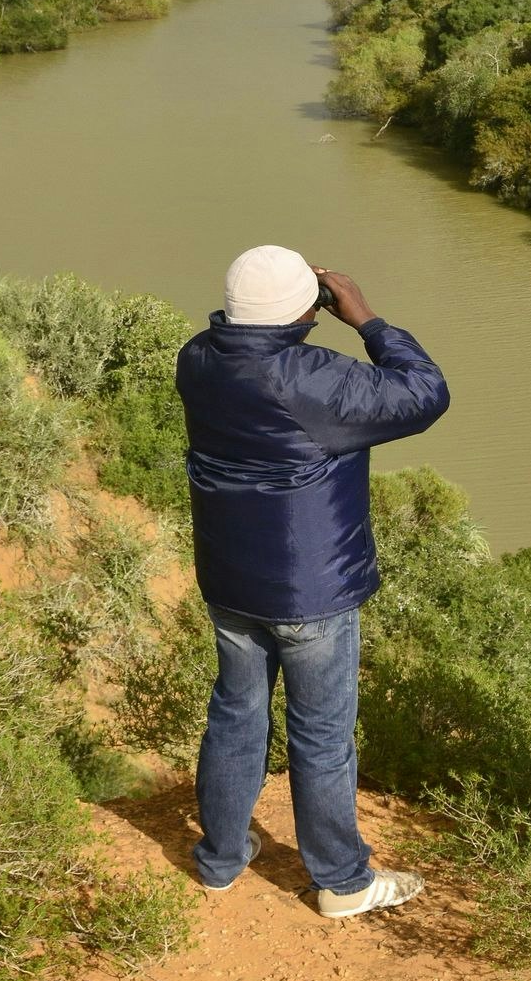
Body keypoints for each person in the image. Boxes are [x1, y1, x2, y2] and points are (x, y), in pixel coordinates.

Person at [179, 245, 451, 917]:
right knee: (322, 734)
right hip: (311, 590)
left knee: (235, 714)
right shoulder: (315, 377)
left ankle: (219, 859)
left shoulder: (197, 359)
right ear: (306, 311)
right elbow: (424, 393)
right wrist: (367, 319)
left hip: (230, 577)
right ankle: (342, 882)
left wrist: (297, 310)